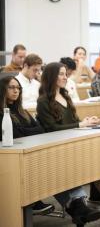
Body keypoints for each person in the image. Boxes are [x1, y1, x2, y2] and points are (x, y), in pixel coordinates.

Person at [36, 62, 100, 218]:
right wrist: (80, 124)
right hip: (57, 146)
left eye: (65, 74)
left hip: (72, 141)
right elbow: (51, 128)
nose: (65, 77)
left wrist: (86, 121)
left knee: (95, 158)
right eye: (61, 74)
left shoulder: (65, 95)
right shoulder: (43, 101)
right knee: (86, 161)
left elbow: (74, 120)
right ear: (52, 77)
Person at [0, 76, 55, 216]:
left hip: (28, 152)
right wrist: (28, 131)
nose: (16, 91)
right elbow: (14, 135)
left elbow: (40, 129)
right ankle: (33, 203)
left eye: (18, 88)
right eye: (11, 87)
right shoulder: (2, 113)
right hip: (9, 157)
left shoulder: (22, 111)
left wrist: (25, 131)